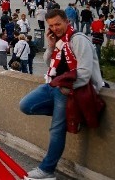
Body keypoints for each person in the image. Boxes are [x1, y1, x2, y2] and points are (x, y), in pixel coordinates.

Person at [19, 9, 104, 180]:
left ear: (67, 21)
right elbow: (49, 63)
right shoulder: (59, 40)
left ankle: (47, 170)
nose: (55, 28)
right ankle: (69, 115)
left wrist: (67, 88)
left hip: (69, 89)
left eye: (58, 24)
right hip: (53, 83)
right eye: (51, 25)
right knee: (26, 105)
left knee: (57, 130)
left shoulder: (78, 40)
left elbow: (85, 72)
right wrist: (50, 46)